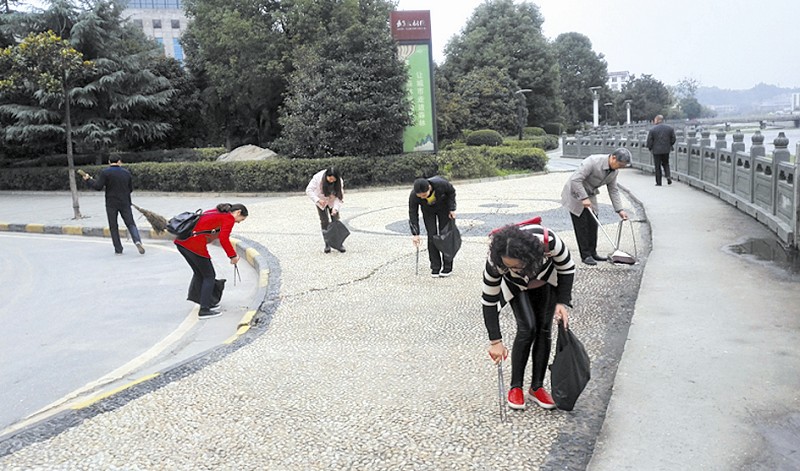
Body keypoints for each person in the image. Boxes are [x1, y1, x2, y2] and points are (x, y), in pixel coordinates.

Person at [483, 224, 576, 410]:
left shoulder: (550, 243)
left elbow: (567, 268)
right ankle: (515, 387)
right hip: (515, 287)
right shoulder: (496, 262)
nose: (512, 269)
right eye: (507, 266)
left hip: (545, 280)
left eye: (516, 266)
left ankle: (537, 387)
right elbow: (488, 300)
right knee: (527, 327)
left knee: (544, 328)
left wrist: (561, 302)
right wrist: (495, 341)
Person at [175, 203, 248, 319]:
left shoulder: (216, 211)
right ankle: (204, 310)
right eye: (240, 220)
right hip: (194, 245)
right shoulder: (228, 218)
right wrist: (233, 256)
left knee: (200, 273)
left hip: (182, 242)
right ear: (238, 212)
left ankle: (205, 302)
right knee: (209, 275)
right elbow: (224, 239)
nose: (238, 222)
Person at [561, 148, 631, 266]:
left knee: (593, 223)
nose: (620, 168)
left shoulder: (614, 171)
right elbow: (575, 179)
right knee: (581, 225)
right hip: (575, 192)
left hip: (590, 194)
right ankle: (585, 255)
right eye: (619, 164)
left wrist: (620, 210)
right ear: (613, 157)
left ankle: (593, 252)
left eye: (622, 166)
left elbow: (613, 190)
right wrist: (583, 198)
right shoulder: (592, 161)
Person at [82, 157, 145, 255]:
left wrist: (88, 180)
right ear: (119, 162)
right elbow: (130, 189)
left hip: (111, 203)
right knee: (130, 223)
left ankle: (118, 249)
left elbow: (98, 187)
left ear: (109, 162)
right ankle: (137, 241)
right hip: (125, 202)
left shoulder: (105, 172)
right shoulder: (126, 173)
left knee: (113, 226)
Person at [409, 176, 457, 277]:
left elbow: (451, 192)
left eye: (424, 195)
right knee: (432, 236)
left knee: (444, 234)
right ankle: (435, 267)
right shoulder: (414, 195)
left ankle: (447, 267)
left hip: (443, 207)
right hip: (428, 211)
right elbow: (413, 213)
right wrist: (415, 233)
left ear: (429, 188)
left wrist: (452, 209)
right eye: (420, 196)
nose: (422, 197)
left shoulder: (441, 184)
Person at [306, 167, 345, 253]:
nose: (332, 181)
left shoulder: (339, 181)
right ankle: (327, 243)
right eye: (330, 179)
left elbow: (339, 196)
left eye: (334, 180)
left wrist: (335, 209)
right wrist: (318, 200)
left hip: (332, 200)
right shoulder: (317, 178)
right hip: (321, 201)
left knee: (335, 220)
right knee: (324, 221)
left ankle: (339, 243)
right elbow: (309, 190)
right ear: (326, 176)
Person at [646, 114, 676, 186]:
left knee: (657, 166)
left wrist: (650, 148)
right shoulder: (670, 128)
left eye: (655, 120)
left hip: (656, 151)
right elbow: (673, 139)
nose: (654, 121)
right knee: (666, 163)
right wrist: (669, 145)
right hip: (666, 150)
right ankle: (668, 176)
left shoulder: (653, 130)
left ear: (658, 120)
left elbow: (649, 141)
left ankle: (659, 182)